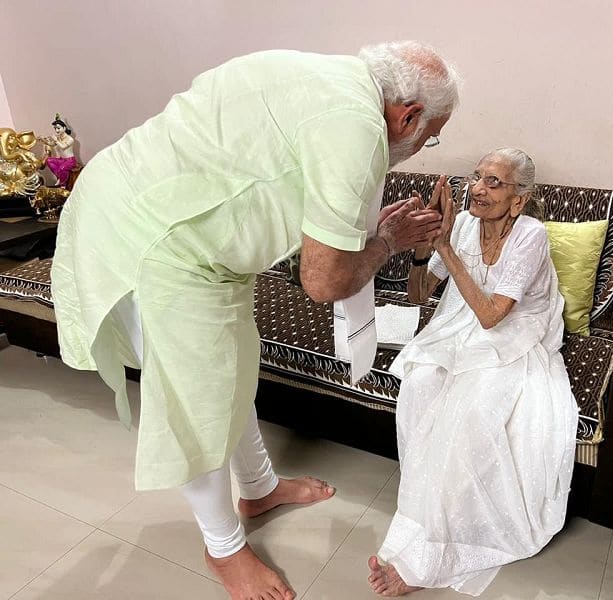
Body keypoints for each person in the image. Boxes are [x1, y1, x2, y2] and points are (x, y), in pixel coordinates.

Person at [50, 42, 460, 600]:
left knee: (233, 368)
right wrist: (386, 242)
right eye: (429, 135)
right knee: (197, 400)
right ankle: (223, 548)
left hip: (191, 237)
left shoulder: (327, 73)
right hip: (154, 240)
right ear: (407, 116)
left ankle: (259, 488)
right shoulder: (357, 128)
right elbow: (324, 282)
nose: (420, 146)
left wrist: (372, 237)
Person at [367, 149, 579, 596]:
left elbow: (492, 317)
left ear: (518, 199)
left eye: (494, 183)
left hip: (515, 336)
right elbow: (420, 295)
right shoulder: (462, 224)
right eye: (476, 178)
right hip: (459, 328)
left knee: (472, 413)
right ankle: (422, 516)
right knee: (420, 385)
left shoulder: (531, 235)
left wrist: (445, 246)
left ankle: (428, 560)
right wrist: (426, 249)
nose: (478, 189)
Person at [41, 114, 77, 187]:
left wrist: (56, 140)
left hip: (70, 160)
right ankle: (60, 177)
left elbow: (63, 147)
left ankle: (63, 184)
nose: (56, 130)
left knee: (62, 168)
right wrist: (42, 140)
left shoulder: (70, 139)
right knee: (49, 160)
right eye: (55, 128)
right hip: (62, 159)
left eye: (58, 128)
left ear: (64, 128)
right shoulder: (59, 137)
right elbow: (51, 144)